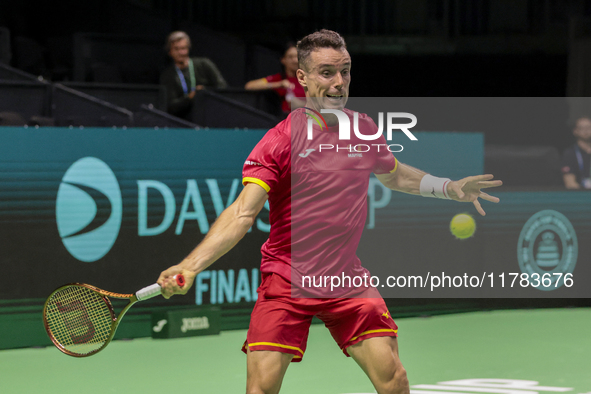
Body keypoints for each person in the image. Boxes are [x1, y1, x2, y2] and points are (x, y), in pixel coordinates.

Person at [157, 29, 502, 394]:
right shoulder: (279, 142)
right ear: (302, 77)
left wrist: (449, 187)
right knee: (261, 390)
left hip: (345, 278)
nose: (339, 83)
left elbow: (396, 175)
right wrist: (189, 266)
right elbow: (243, 213)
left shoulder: (363, 130)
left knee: (395, 380)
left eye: (346, 71)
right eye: (327, 73)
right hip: (287, 280)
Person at [160, 31, 227, 119]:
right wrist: (189, 98)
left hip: (210, 115)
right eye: (176, 49)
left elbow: (223, 88)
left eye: (184, 48)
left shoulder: (204, 64)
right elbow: (170, 106)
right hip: (182, 120)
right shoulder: (167, 75)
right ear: (169, 52)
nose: (181, 52)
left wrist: (204, 91)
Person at [245, 42, 306, 114]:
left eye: (297, 57)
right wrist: (278, 84)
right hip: (287, 119)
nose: (295, 60)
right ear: (283, 60)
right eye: (290, 57)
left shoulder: (308, 79)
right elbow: (249, 86)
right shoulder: (279, 78)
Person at [562, 116, 591, 189]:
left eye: (588, 128)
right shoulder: (570, 153)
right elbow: (570, 183)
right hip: (581, 195)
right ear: (575, 131)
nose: (586, 131)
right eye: (582, 128)